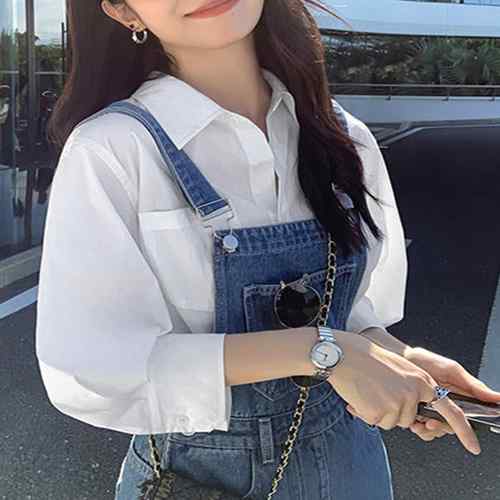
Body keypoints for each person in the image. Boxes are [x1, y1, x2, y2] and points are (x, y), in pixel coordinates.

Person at [35, 1, 500, 499]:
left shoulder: (342, 137)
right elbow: (94, 364)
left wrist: (399, 361)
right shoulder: (112, 149)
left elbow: (348, 314)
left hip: (352, 466)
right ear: (124, 11)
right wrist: (327, 352)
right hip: (202, 478)